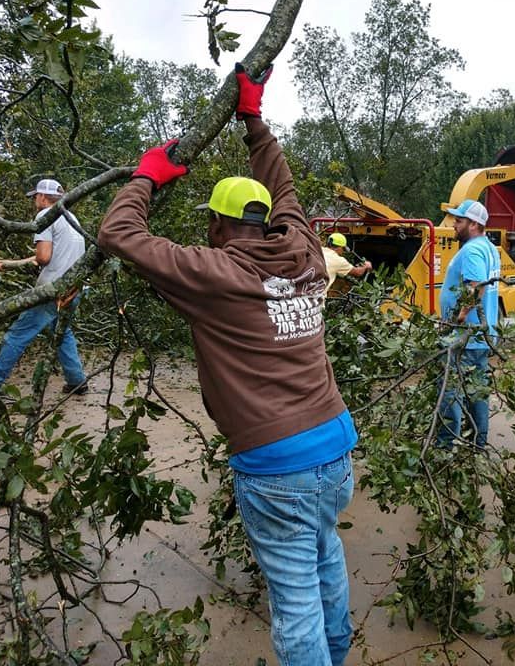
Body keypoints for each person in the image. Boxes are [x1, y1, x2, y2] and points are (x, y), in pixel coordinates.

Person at [97, 63, 357, 666]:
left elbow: (118, 231)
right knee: (325, 558)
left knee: (294, 600)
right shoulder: (306, 250)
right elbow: (286, 189)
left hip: (277, 466)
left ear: (216, 224)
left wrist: (146, 177)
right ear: (266, 219)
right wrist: (253, 120)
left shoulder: (214, 273)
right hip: (335, 446)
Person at [0, 179, 88, 395]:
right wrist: (11, 264)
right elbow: (50, 254)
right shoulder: (69, 216)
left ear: (42, 197)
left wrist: (22, 264)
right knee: (61, 332)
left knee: (17, 335)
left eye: (35, 197)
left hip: (53, 290)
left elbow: (44, 257)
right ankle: (76, 380)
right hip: (76, 289)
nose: (34, 201)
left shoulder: (45, 216)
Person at [437, 199, 500, 448]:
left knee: (450, 392)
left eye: (459, 220)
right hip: (479, 338)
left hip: (465, 338)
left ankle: (444, 446)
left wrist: (456, 319)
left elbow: (476, 287)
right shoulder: (488, 248)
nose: (454, 224)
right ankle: (479, 443)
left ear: (474, 224)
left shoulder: (473, 250)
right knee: (477, 392)